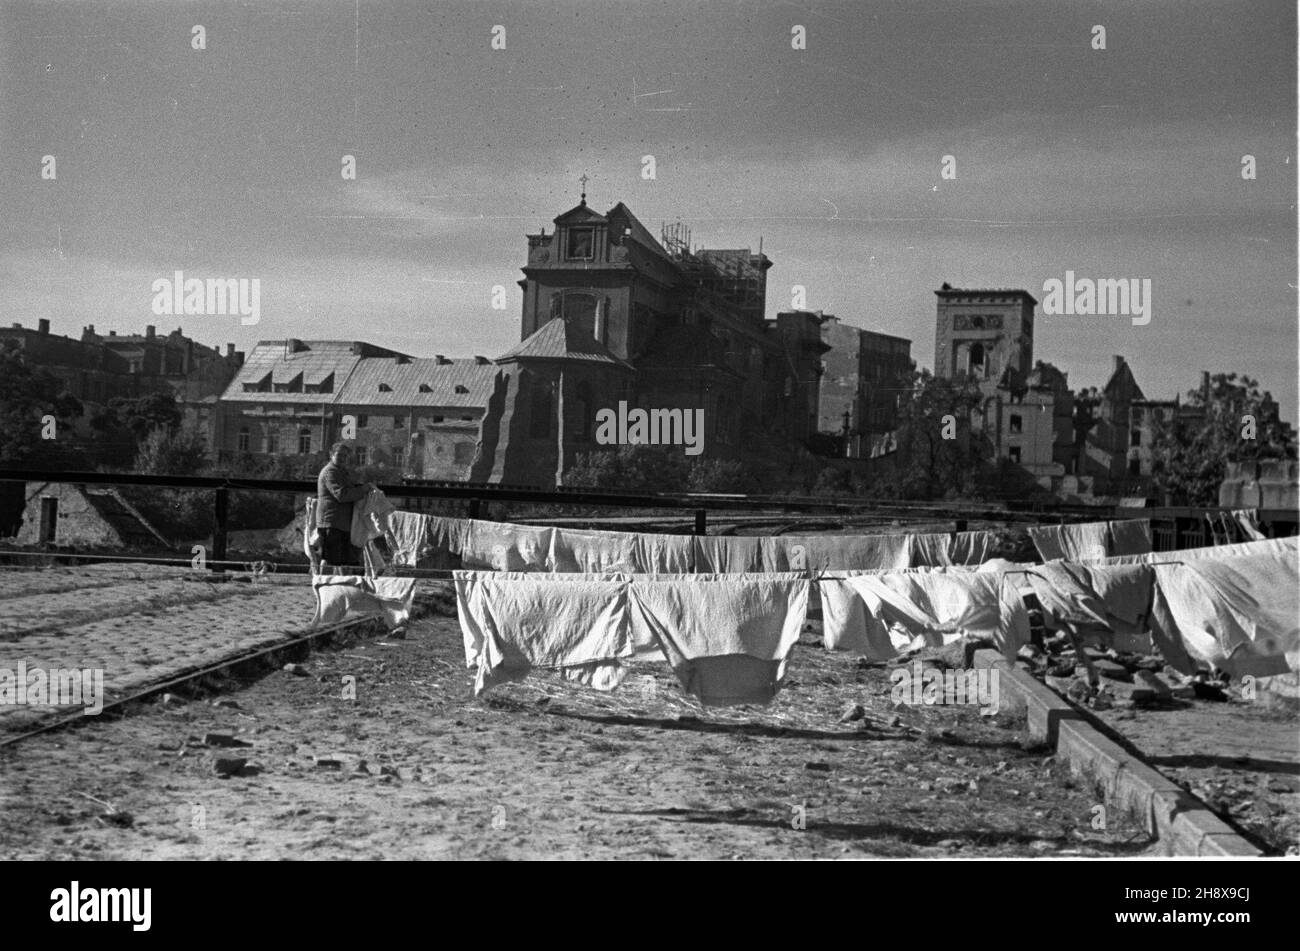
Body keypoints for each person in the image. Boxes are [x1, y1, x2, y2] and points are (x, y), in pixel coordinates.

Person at [316, 442, 373, 571]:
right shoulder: (330, 472)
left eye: (345, 456)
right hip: (331, 522)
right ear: (331, 455)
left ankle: (338, 585)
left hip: (341, 523)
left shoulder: (341, 472)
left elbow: (349, 489)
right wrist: (363, 490)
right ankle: (324, 584)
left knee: (342, 560)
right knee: (330, 559)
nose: (342, 458)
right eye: (339, 455)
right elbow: (341, 495)